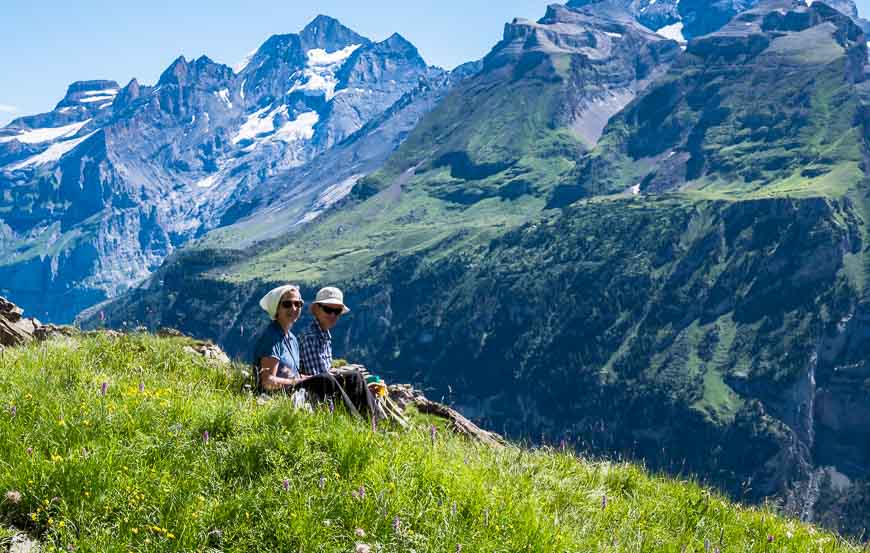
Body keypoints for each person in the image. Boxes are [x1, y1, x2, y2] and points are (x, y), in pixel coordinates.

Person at [299, 286, 350, 375]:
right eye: (328, 309)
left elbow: (325, 371)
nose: (333, 315)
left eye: (337, 311)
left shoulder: (324, 335)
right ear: (316, 309)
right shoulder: (311, 338)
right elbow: (318, 377)